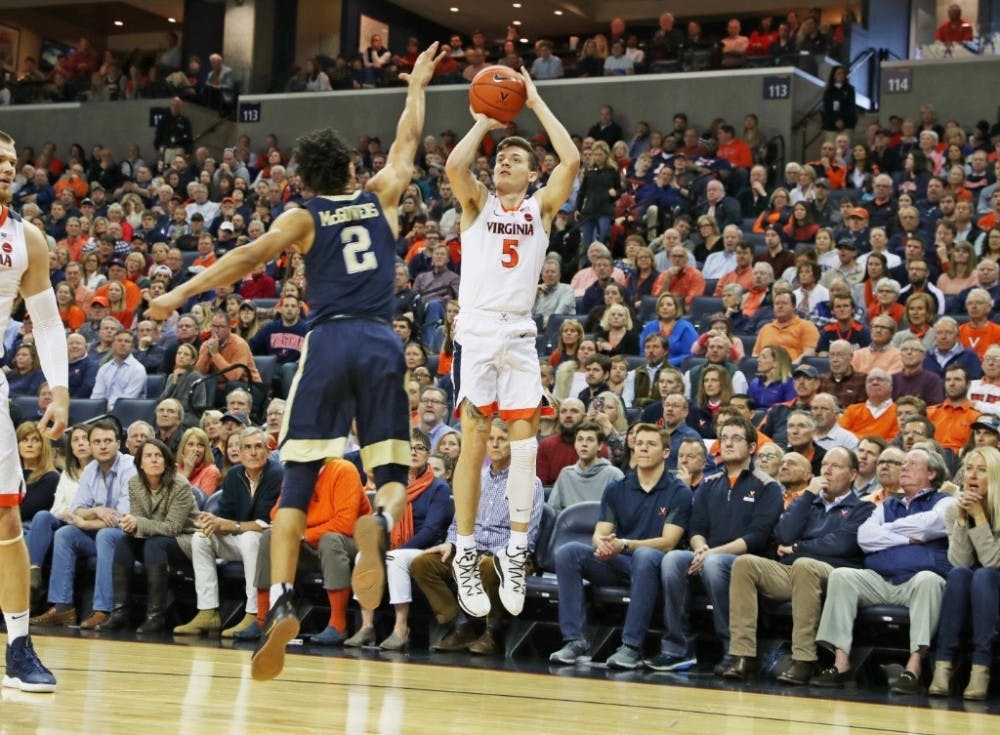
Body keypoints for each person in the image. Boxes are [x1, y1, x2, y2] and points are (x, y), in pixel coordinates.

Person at [149, 44, 448, 681]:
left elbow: (245, 260)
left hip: (332, 339)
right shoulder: (381, 195)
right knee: (390, 465)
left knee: (299, 483)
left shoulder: (303, 215)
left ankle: (282, 599)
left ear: (307, 179)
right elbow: (407, 139)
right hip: (384, 340)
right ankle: (383, 520)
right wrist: (417, 83)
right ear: (346, 166)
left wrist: (178, 292)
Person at [443, 63, 579, 621]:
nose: (504, 161)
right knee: (474, 440)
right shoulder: (475, 203)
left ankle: (518, 549)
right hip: (476, 327)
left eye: (516, 158)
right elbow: (455, 165)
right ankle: (468, 551)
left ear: (531, 173)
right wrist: (484, 121)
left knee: (524, 443)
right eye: (501, 157)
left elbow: (570, 160)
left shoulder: (540, 208)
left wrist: (537, 101)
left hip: (520, 328)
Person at [0, 129, 70, 693]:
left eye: (11, 161)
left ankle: (19, 647)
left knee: (6, 520)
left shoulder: (27, 238)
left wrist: (61, 389)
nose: (6, 168)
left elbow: (45, 321)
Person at [723, 448, 874, 683]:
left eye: (836, 466)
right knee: (745, 564)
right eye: (824, 465)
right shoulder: (809, 502)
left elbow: (841, 545)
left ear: (853, 474)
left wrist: (798, 548)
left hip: (835, 574)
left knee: (805, 564)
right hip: (792, 572)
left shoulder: (863, 508)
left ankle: (804, 659)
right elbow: (784, 534)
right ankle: (743, 655)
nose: (827, 471)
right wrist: (806, 497)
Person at [811, 447, 955, 693]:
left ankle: (914, 666)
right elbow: (866, 537)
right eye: (904, 464)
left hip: (916, 584)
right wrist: (909, 538)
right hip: (880, 580)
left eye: (912, 464)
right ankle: (841, 662)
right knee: (842, 576)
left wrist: (888, 532)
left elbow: (931, 525)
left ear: (932, 473)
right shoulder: (887, 505)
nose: (904, 468)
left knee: (929, 580)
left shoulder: (946, 502)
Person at [549, 424, 692, 668]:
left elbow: (669, 542)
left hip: (655, 564)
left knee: (645, 556)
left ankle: (631, 646)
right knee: (569, 552)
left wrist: (623, 544)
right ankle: (575, 640)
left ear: (666, 453)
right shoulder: (617, 488)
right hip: (621, 560)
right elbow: (601, 532)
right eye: (639, 443)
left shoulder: (678, 490)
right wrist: (602, 544)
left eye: (651, 444)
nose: (643, 448)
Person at [648, 416, 783, 673]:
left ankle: (733, 648)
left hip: (749, 562)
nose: (728, 443)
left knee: (714, 564)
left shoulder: (768, 486)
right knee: (673, 559)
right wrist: (700, 548)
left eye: (736, 438)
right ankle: (677, 647)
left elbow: (757, 537)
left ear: (752, 448)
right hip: (709, 555)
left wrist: (710, 554)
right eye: (725, 438)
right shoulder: (710, 484)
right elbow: (697, 528)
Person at [345, 430, 453, 650]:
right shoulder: (393, 486)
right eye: (408, 448)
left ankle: (401, 628)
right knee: (363, 558)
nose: (413, 452)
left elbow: (431, 531)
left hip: (425, 550)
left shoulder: (438, 487)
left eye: (420, 448)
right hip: (395, 548)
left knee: (394, 559)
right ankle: (366, 626)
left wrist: (394, 551)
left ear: (428, 453)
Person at [101, 438, 196, 633]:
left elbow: (173, 528)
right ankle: (119, 613)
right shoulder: (135, 483)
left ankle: (156, 616)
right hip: (154, 538)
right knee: (124, 542)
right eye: (148, 456)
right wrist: (130, 526)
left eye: (158, 456)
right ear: (140, 463)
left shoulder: (180, 485)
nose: (153, 460)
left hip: (185, 540)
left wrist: (138, 524)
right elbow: (138, 521)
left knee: (155, 544)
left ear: (166, 461)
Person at [930, 446, 1000, 700]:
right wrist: (961, 521)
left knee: (983, 575)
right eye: (969, 469)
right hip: (973, 589)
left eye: (982, 471)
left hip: (994, 584)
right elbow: (959, 561)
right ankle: (942, 666)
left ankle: (982, 668)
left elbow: (992, 562)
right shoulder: (952, 509)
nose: (972, 476)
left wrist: (979, 518)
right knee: (960, 574)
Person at [547, 422, 624, 512]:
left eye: (590, 440)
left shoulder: (614, 475)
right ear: (575, 444)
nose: (584, 444)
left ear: (600, 446)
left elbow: (623, 512)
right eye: (580, 439)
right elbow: (552, 511)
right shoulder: (566, 474)